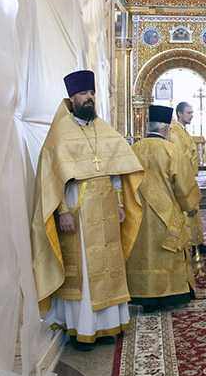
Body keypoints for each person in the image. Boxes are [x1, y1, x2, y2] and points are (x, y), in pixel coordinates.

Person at [29, 70, 145, 349]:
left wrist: (120, 203)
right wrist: (63, 212)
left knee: (109, 266)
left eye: (92, 93)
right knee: (84, 269)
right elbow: (52, 180)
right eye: (84, 94)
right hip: (78, 208)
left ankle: (107, 325)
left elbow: (116, 171)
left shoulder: (103, 129)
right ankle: (82, 328)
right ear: (72, 98)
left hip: (106, 206)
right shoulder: (60, 133)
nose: (90, 98)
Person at [127, 105, 203, 310]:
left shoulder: (133, 150)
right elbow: (182, 184)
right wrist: (190, 206)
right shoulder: (171, 150)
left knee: (144, 254)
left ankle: (145, 296)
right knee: (167, 252)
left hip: (139, 214)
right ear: (165, 129)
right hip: (167, 214)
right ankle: (172, 295)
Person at [169, 101, 206, 256]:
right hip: (182, 176)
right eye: (189, 113)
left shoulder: (183, 131)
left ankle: (198, 243)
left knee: (194, 211)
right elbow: (181, 156)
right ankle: (190, 246)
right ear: (179, 114)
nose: (192, 115)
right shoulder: (174, 132)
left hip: (189, 177)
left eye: (192, 113)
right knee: (187, 212)